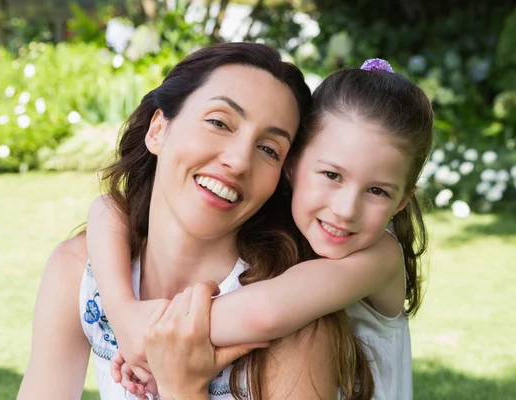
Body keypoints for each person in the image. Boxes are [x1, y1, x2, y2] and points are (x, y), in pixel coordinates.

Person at [18, 42, 367, 400]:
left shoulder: (295, 326)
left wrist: (182, 389)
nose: (239, 161)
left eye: (269, 149)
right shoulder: (82, 274)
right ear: (158, 130)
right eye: (218, 122)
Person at [88, 58, 434, 400]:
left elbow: (262, 313)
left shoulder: (380, 257)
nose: (346, 210)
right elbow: (105, 209)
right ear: (292, 167)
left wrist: (151, 334)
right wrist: (122, 312)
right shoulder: (292, 235)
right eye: (332, 175)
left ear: (402, 200)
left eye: (377, 191)